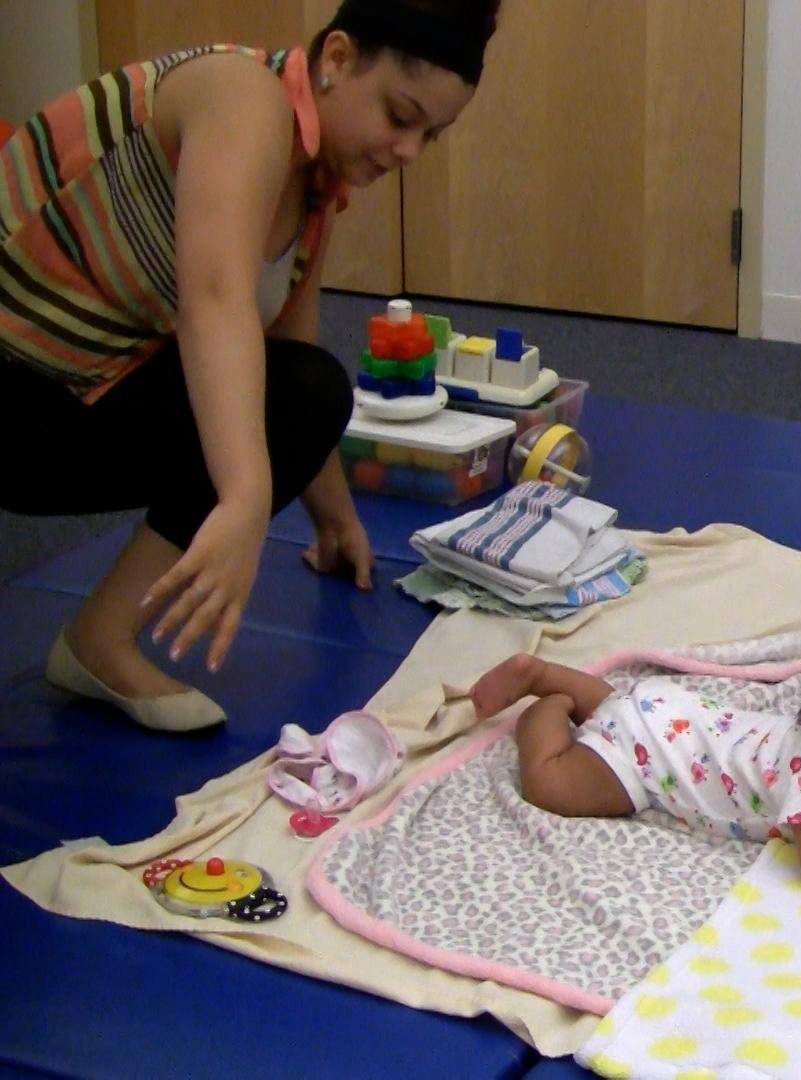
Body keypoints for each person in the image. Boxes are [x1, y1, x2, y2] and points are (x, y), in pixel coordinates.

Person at [0, 0, 500, 731]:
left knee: (306, 386)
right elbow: (214, 298)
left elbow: (289, 365)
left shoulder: (318, 184)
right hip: (18, 383)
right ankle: (103, 637)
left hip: (77, 386)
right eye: (400, 116)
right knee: (263, 407)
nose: (409, 151)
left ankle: (98, 639)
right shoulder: (243, 98)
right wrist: (244, 496)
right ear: (335, 61)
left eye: (432, 133)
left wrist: (332, 518)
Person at [469, 621, 801, 898]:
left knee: (621, 708)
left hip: (672, 711)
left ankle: (545, 674)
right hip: (650, 764)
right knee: (553, 786)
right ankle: (544, 716)